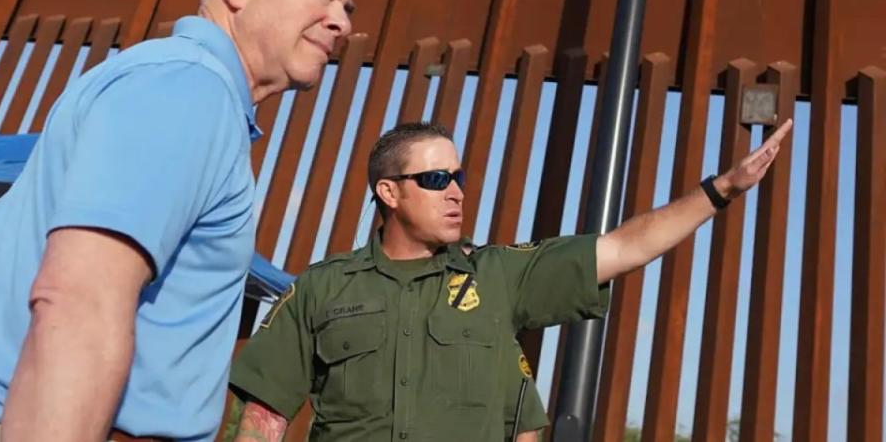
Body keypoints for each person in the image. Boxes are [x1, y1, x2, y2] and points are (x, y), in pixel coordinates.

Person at [0, 0, 353, 442]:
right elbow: (80, 294)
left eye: (347, 9)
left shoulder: (156, 80)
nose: (341, 22)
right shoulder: (190, 91)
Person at [229, 118, 793, 441]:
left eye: (459, 176)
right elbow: (265, 416)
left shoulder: (497, 275)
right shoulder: (324, 288)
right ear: (389, 192)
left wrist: (722, 190)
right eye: (434, 178)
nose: (456, 191)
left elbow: (625, 246)